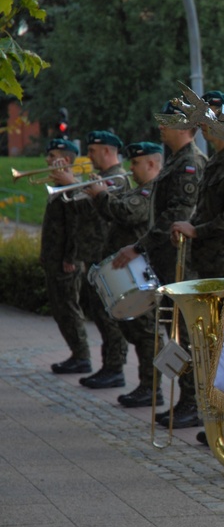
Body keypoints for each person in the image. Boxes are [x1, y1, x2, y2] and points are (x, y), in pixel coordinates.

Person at [114, 101, 207, 429]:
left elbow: (177, 214)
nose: (160, 126)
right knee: (174, 333)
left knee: (183, 334)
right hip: (167, 262)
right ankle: (187, 400)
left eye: (167, 121)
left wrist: (140, 246)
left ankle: (194, 403)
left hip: (181, 264)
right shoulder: (176, 161)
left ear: (184, 127)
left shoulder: (190, 162)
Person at [85, 142, 163, 407]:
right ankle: (147, 386)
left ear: (151, 164)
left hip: (141, 272)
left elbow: (126, 213)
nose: (130, 168)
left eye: (136, 163)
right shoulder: (141, 189)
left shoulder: (150, 191)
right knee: (137, 331)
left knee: (146, 333)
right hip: (129, 271)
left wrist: (100, 195)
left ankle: (151, 388)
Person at [171, 91, 224, 280]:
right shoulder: (215, 160)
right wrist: (187, 227)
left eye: (210, 117)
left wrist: (196, 231)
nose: (201, 123)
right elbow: (206, 210)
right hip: (208, 261)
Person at [75, 130, 129, 389]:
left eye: (93, 151)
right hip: (94, 256)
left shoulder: (117, 179)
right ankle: (108, 366)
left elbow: (115, 214)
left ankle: (115, 368)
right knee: (97, 313)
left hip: (107, 257)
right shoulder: (100, 178)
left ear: (107, 150)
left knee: (108, 317)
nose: (89, 155)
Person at [41, 139, 91, 375]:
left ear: (66, 160)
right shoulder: (59, 186)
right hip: (54, 258)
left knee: (69, 308)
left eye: (52, 156)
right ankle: (76, 353)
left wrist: (71, 257)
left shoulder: (73, 188)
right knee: (60, 310)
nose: (47, 160)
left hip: (66, 262)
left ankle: (82, 356)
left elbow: (76, 227)